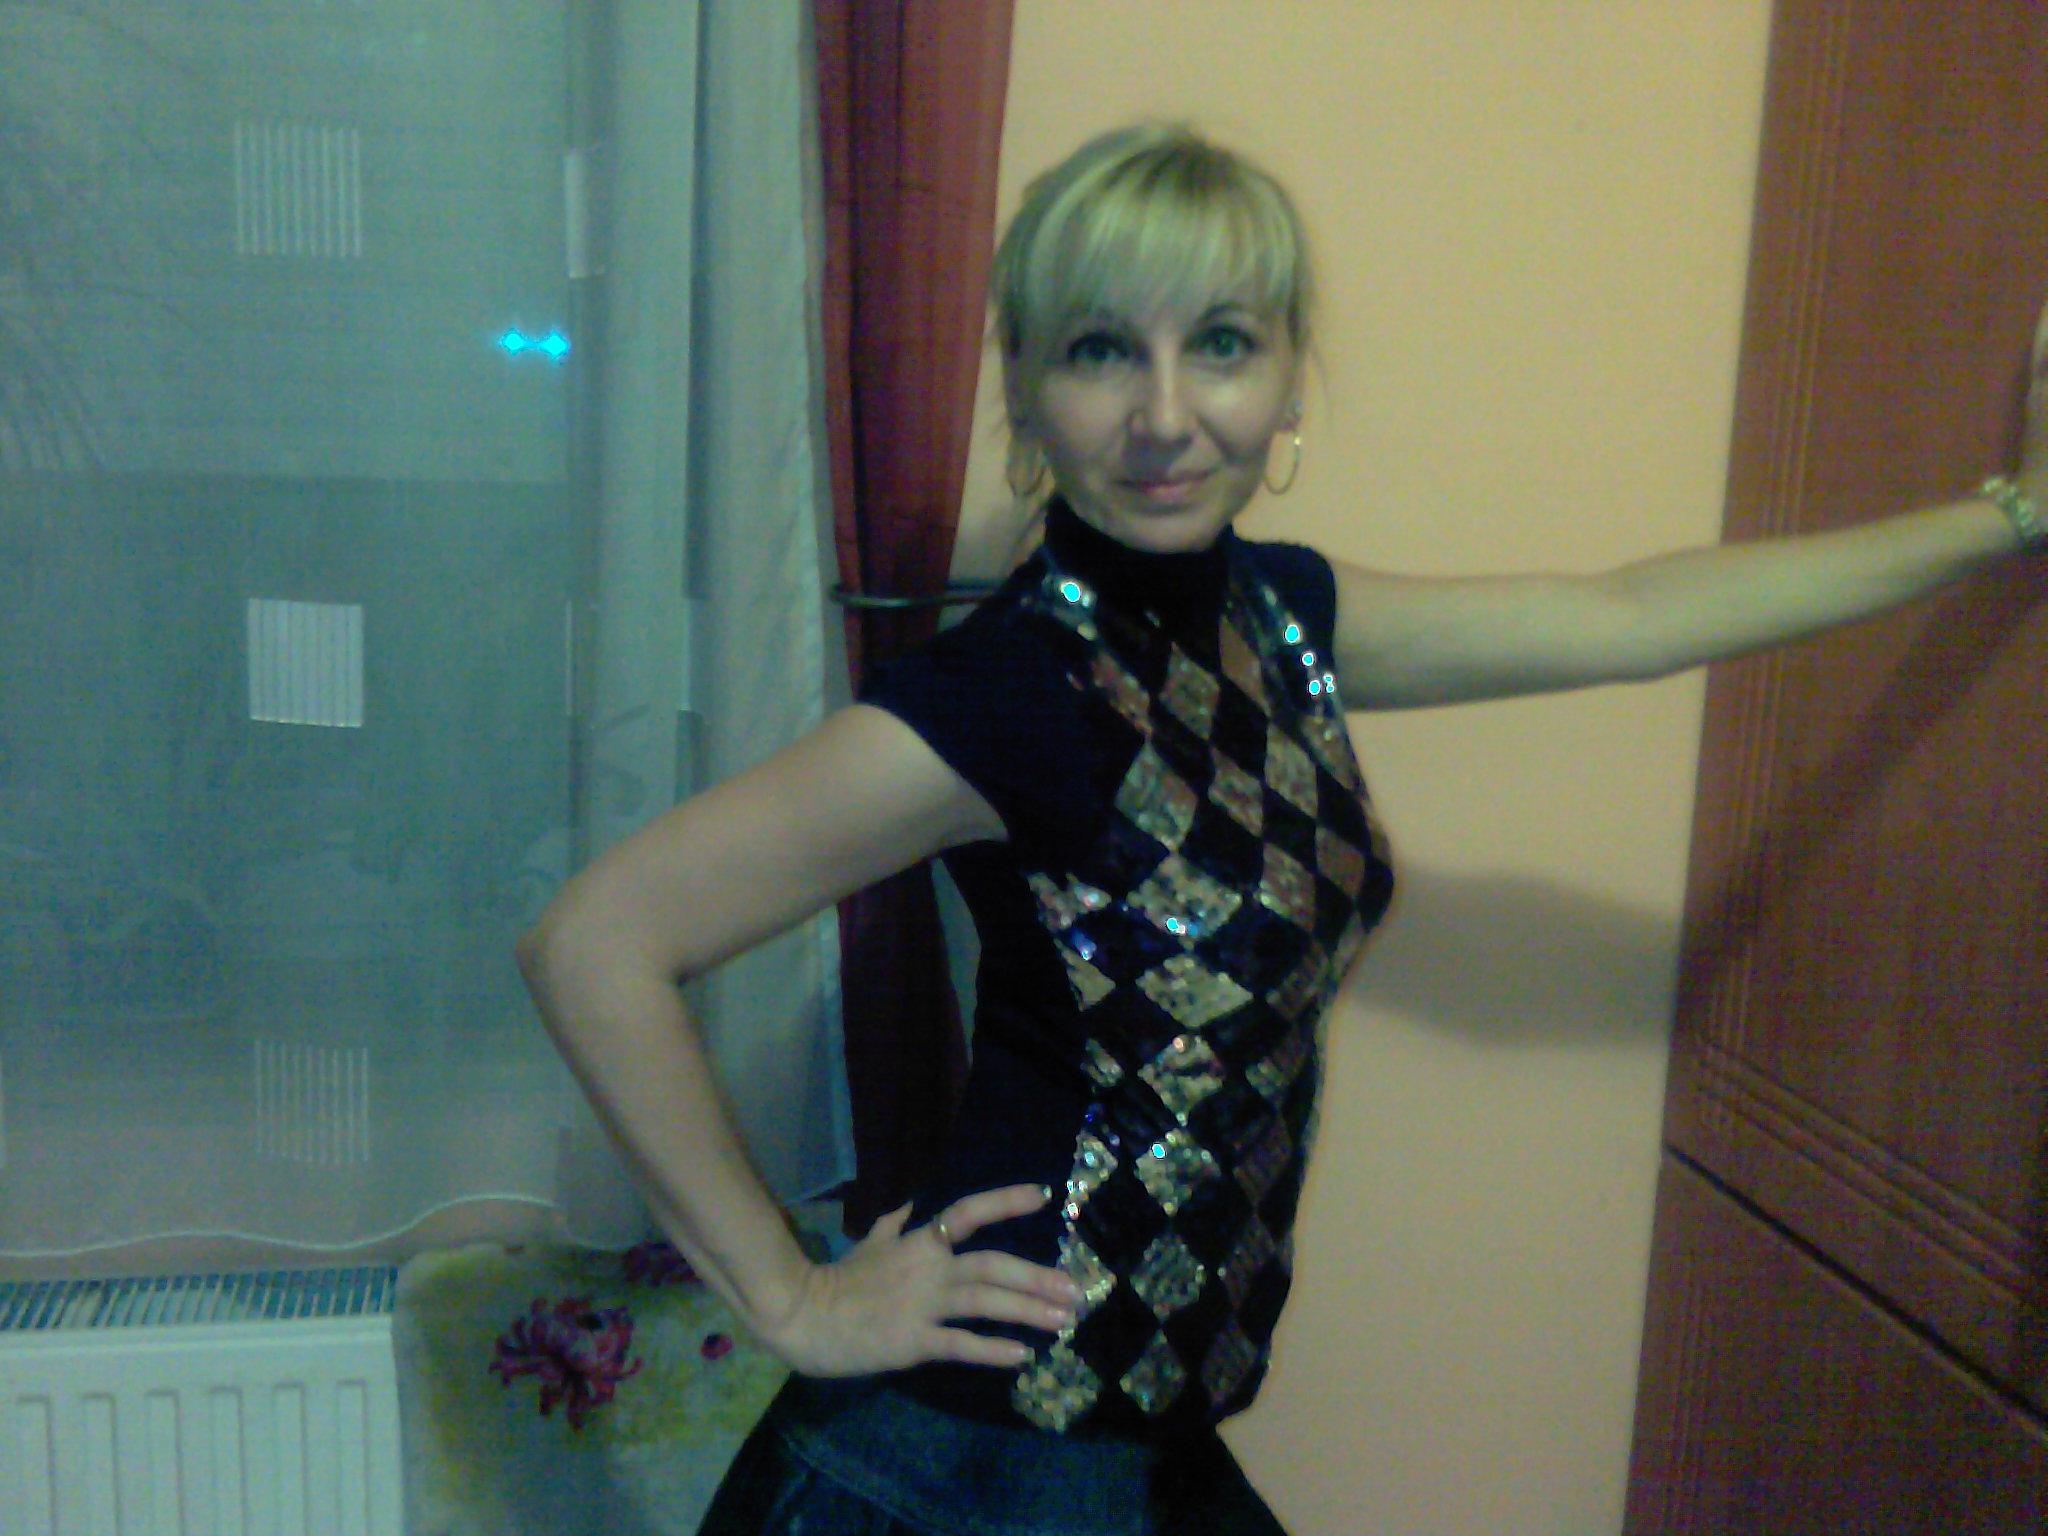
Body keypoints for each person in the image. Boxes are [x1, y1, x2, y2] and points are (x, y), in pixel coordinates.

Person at [516, 121, 2046, 1536]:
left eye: (1223, 345)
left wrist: (2010, 517)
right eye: (1101, 351)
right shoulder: (1002, 695)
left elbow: (1629, 614)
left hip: (1151, 1440)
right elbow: (595, 943)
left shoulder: (1283, 616)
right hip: (965, 1464)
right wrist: (791, 1301)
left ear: (1291, 380)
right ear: (1027, 390)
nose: (1166, 415)